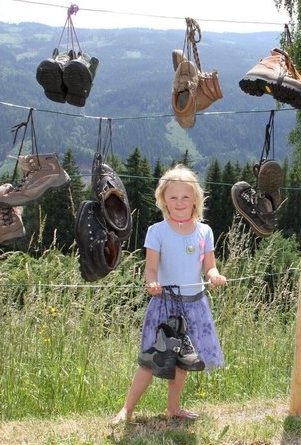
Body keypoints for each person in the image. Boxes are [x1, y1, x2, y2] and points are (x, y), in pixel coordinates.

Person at [112, 165, 227, 425]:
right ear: (163, 199)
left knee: (182, 360)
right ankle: (126, 410)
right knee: (150, 360)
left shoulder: (204, 232)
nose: (179, 202)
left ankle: (173, 408)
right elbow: (151, 268)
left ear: (196, 199)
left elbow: (209, 265)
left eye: (185, 197)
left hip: (195, 305)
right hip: (164, 306)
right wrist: (152, 283)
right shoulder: (157, 231)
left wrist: (214, 275)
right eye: (173, 197)